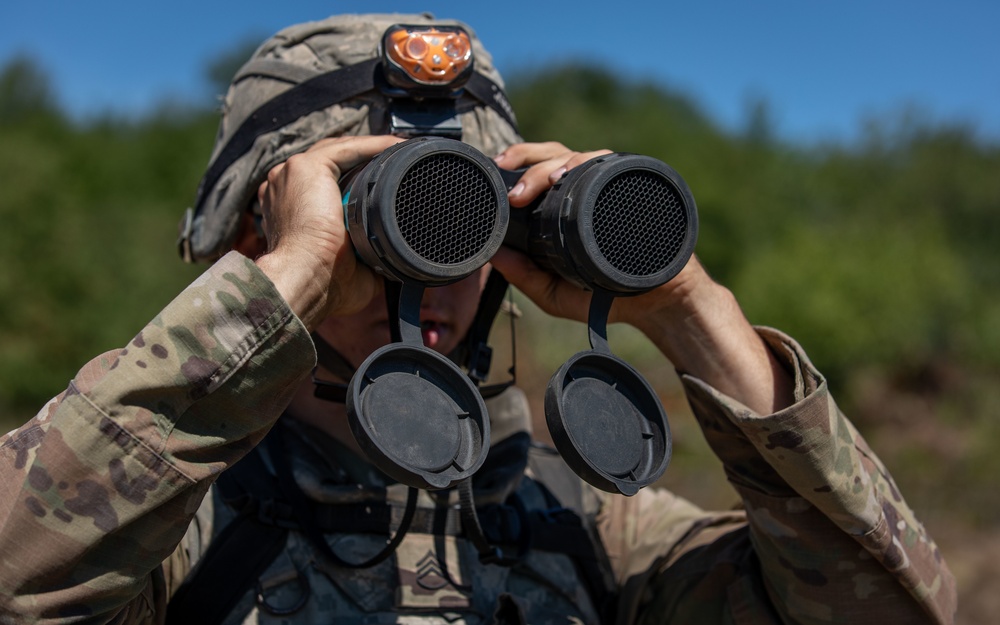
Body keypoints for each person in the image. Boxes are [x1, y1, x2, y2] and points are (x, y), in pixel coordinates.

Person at [0, 13, 956, 625]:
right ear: (256, 233)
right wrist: (288, 280)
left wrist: (688, 308)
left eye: (469, 216)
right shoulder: (165, 526)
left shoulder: (586, 526)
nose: (438, 271)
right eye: (376, 217)